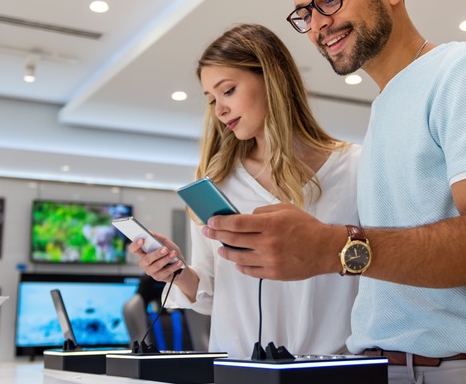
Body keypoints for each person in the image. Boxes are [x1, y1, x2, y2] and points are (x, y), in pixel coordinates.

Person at [201, 0, 466, 382]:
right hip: (383, 367)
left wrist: (329, 247)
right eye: (304, 13)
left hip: (457, 370)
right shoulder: (384, 110)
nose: (318, 24)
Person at [127, 23, 362, 358]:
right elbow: (207, 294)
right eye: (211, 100)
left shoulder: (354, 168)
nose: (219, 109)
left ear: (272, 77)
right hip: (239, 368)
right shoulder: (217, 183)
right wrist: (176, 271)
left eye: (228, 91)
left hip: (333, 368)